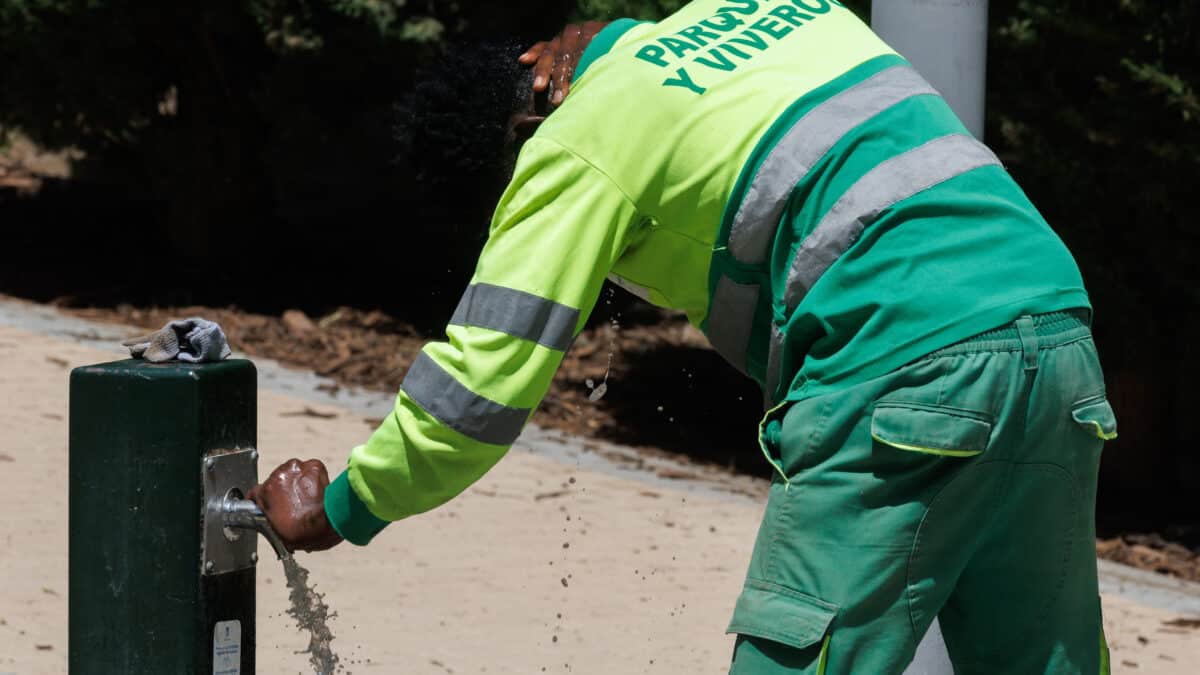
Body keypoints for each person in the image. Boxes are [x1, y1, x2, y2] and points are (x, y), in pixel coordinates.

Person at [251, 2, 1117, 672]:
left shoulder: (575, 143)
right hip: (1057, 328)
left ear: (526, 129)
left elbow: (478, 392)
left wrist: (341, 506)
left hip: (903, 357)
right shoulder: (757, 16)